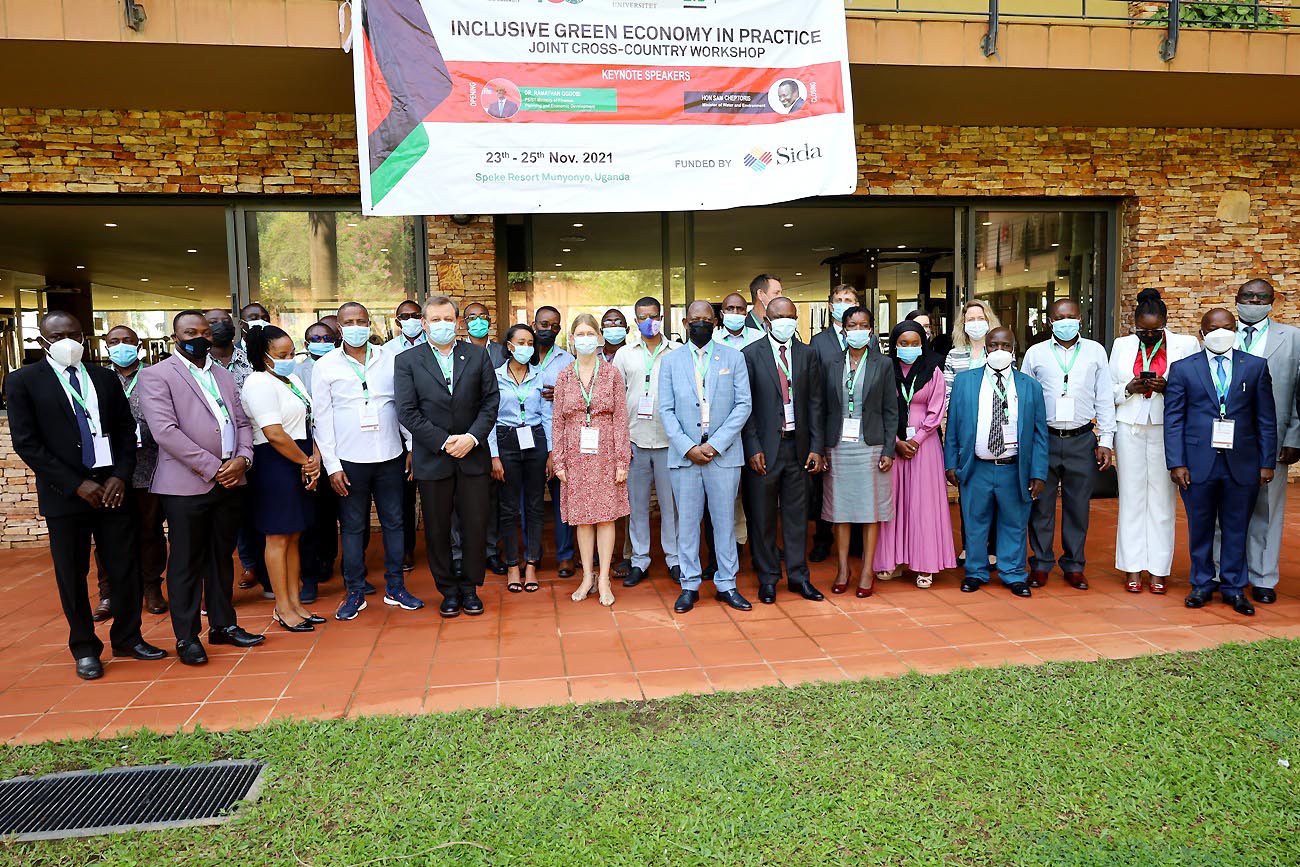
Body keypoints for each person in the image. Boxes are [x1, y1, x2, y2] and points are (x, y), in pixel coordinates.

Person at [6, 312, 165, 680]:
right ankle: (84, 647)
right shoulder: (24, 381)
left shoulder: (103, 377)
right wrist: (77, 484)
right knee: (71, 572)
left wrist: (120, 476)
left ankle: (128, 637)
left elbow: (126, 431)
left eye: (74, 334)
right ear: (42, 340)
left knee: (125, 566)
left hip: (111, 489)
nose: (68, 340)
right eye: (58, 335)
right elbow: (27, 443)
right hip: (66, 494)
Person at [140, 310, 265, 665]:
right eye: (189, 331)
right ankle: (187, 636)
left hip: (231, 479)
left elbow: (241, 422)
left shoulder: (222, 374)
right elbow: (165, 432)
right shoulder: (157, 375)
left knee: (222, 558)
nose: (199, 337)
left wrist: (242, 459)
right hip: (187, 486)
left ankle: (223, 626)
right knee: (186, 563)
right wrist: (215, 468)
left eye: (204, 332)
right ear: (175, 336)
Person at [1165, 307, 1276, 617]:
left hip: (1242, 462)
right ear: (1202, 333)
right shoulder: (1183, 369)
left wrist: (1267, 462)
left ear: (1236, 330)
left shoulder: (1254, 367)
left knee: (1236, 527)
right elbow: (1173, 418)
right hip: (1196, 462)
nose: (1220, 332)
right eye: (1213, 328)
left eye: (1227, 327)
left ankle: (1233, 587)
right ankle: (1201, 583)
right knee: (1200, 527)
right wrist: (1176, 462)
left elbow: (1266, 418)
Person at [314, 302, 420, 621]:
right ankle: (355, 592)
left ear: (370, 323)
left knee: (395, 522)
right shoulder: (326, 365)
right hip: (349, 460)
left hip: (390, 454)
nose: (356, 326)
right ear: (339, 326)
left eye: (362, 320)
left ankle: (396, 588)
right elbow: (322, 417)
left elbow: (403, 405)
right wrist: (332, 466)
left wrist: (411, 446)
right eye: (349, 321)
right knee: (353, 527)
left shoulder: (390, 358)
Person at [395, 295, 499, 618]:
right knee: (438, 529)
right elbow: (407, 411)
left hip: (472, 456)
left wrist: (471, 437)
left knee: (474, 525)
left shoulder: (477, 356)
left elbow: (490, 402)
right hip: (434, 459)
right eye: (434, 320)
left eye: (447, 319)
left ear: (457, 322)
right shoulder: (408, 361)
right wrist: (443, 441)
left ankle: (469, 588)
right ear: (424, 324)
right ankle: (448, 590)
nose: (442, 325)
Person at [659, 300, 753, 613]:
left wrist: (715, 445)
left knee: (724, 522)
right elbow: (666, 410)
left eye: (706, 318)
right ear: (686, 322)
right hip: (685, 457)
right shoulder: (671, 362)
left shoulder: (734, 357)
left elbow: (743, 405)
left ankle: (727, 584)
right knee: (687, 524)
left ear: (715, 322)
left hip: (723, 456)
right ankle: (689, 584)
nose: (700, 323)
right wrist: (689, 446)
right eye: (695, 319)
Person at [1108, 289, 1201, 594]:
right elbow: (1107, 390)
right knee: (1132, 499)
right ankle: (1132, 567)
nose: (1148, 335)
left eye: (1155, 330)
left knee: (1162, 501)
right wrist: (1128, 387)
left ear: (1165, 323)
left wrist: (1169, 386)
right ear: (1133, 324)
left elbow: (1197, 387)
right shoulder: (1122, 345)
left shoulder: (1186, 344)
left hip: (1167, 429)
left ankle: (1159, 569)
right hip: (1130, 427)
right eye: (1142, 330)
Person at [944, 326, 1049, 596]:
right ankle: (975, 572)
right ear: (985, 348)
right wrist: (951, 463)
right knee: (975, 522)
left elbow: (1039, 434)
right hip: (977, 466)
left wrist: (1038, 472)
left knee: (1014, 522)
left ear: (1013, 349)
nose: (998, 351)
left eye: (1005, 346)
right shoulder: (966, 382)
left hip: (1014, 468)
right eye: (993, 345)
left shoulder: (1029, 386)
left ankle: (1013, 573)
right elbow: (953, 426)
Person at [1020, 298, 1115, 591]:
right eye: (1059, 317)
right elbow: (1024, 398)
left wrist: (1106, 440)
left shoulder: (1095, 352)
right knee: (1041, 506)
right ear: (1050, 321)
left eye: (1070, 316)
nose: (1065, 322)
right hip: (1044, 439)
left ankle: (1074, 565)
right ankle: (1041, 564)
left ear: (1080, 319)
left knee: (1077, 506)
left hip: (1081, 438)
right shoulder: (1036, 354)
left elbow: (1104, 397)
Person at [741, 296, 826, 604]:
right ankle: (767, 579)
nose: (785, 321)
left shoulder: (808, 354)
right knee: (762, 519)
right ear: (767, 321)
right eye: (779, 317)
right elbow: (745, 407)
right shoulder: (750, 355)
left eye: (791, 316)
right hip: (764, 450)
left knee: (796, 517)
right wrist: (752, 447)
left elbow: (816, 403)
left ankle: (799, 577)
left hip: (799, 449)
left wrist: (817, 446)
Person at [239, 324, 324, 632]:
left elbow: (307, 421)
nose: (289, 358)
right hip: (276, 462)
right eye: (282, 354)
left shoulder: (292, 379)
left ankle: (296, 603)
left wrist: (314, 459)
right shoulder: (258, 382)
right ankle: (282, 607)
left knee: (295, 535)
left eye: (292, 352)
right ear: (263, 355)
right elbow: (273, 433)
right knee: (277, 536)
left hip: (300, 456)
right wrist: (305, 462)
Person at [551, 314, 632, 606]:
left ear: (598, 338)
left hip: (607, 453)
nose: (585, 338)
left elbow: (622, 419)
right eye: (580, 334)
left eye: (590, 333)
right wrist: (558, 461)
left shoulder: (611, 374)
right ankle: (587, 576)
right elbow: (557, 422)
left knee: (606, 518)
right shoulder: (564, 376)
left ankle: (605, 577)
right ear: (571, 339)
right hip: (574, 455)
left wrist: (623, 459)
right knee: (583, 520)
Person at [819, 307, 897, 597]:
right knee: (840, 511)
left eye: (864, 325)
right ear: (844, 329)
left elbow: (891, 409)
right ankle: (842, 567)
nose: (858, 330)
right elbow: (823, 407)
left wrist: (889, 448)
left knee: (869, 510)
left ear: (872, 330)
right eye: (852, 325)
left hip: (871, 445)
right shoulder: (830, 362)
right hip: (837, 446)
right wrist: (821, 448)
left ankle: (867, 569)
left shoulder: (883, 363)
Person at [1230, 278, 1300, 603]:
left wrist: (1294, 436)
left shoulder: (1293, 338)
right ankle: (1226, 572)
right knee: (1225, 508)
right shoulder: (1220, 332)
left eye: (1262, 298)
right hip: (1226, 436)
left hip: (1273, 438)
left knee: (1268, 508)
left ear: (1273, 302)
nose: (1254, 302)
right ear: (1237, 299)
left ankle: (1262, 577)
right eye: (1248, 296)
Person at [873, 322, 957, 588]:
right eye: (903, 344)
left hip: (925, 445)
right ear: (894, 345)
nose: (909, 348)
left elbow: (936, 410)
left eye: (914, 343)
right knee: (894, 503)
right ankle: (893, 561)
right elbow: (878, 407)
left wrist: (916, 440)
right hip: (893, 444)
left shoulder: (933, 370)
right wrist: (897, 441)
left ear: (923, 344)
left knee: (923, 504)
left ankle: (925, 564)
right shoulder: (886, 369)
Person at [612, 298, 679, 587]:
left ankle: (674, 559)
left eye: (653, 316)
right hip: (634, 441)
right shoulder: (624, 355)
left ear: (661, 317)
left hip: (669, 441)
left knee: (671, 506)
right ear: (635, 319)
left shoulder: (677, 352)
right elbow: (615, 401)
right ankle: (639, 560)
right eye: (642, 316)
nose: (648, 321)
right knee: (637, 506)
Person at [102, 325, 168, 616]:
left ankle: (151, 586)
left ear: (138, 344)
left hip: (149, 466)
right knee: (108, 534)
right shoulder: (99, 379)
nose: (121, 346)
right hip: (110, 469)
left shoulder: (156, 375)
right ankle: (109, 593)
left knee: (150, 531)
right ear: (106, 347)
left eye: (127, 340)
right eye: (114, 341)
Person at [809, 285, 875, 562]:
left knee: (860, 484)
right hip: (830, 424)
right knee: (827, 486)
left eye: (849, 299)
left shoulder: (869, 341)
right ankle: (823, 539)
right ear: (830, 304)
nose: (843, 303)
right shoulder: (818, 342)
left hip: (861, 425)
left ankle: (858, 542)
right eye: (838, 300)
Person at [943, 299, 1002, 569]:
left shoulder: (999, 352)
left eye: (980, 318)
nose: (975, 323)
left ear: (989, 321)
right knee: (969, 492)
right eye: (970, 319)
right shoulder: (955, 355)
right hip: (966, 432)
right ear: (963, 325)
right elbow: (947, 394)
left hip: (996, 431)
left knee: (995, 495)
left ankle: (992, 548)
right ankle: (969, 546)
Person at [489, 325, 548, 593]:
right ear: (509, 346)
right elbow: (489, 418)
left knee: (535, 506)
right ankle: (513, 564)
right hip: (506, 440)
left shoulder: (541, 375)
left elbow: (548, 415)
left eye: (530, 342)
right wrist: (494, 456)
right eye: (520, 342)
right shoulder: (495, 376)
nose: (525, 347)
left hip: (535, 440)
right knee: (509, 507)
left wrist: (550, 453)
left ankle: (532, 564)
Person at [205, 307, 261, 591]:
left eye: (223, 320)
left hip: (256, 446)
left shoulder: (252, 359)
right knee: (223, 521)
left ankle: (254, 566)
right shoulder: (198, 366)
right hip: (216, 453)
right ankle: (219, 583)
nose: (218, 326)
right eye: (212, 322)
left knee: (254, 512)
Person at [456, 301, 506, 577]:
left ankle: (490, 550)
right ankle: (459, 553)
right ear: (463, 323)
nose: (478, 321)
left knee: (491, 499)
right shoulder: (457, 352)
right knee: (458, 500)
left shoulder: (502, 351)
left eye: (482, 316)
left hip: (496, 434)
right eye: (471, 317)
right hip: (465, 436)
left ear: (490, 320)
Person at [298, 320, 342, 602]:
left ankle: (329, 560)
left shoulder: (342, 365)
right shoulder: (295, 371)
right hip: (304, 452)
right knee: (309, 515)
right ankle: (309, 574)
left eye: (327, 338)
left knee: (331, 512)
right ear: (306, 344)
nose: (321, 341)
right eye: (316, 338)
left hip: (337, 448)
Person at [535, 305, 577, 578]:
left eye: (553, 325)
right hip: (525, 438)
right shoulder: (518, 354)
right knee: (530, 501)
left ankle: (565, 556)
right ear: (533, 323)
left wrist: (563, 393)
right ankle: (532, 555)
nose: (547, 329)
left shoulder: (568, 360)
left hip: (560, 438)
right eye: (542, 324)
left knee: (564, 501)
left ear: (559, 329)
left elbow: (580, 397)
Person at [384, 298, 425, 573]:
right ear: (397, 320)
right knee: (404, 496)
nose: (410, 319)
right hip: (402, 434)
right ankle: (407, 549)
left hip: (435, 431)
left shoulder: (433, 347)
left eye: (415, 314)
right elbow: (394, 398)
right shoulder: (385, 352)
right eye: (404, 315)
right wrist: (410, 444)